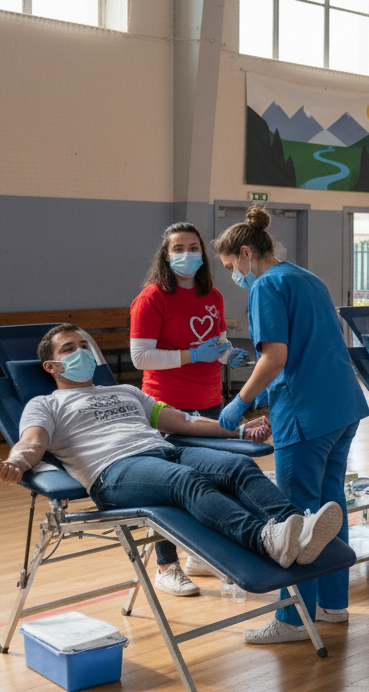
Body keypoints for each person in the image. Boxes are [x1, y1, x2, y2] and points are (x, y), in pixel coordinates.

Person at [0, 325, 344, 578]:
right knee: (186, 480)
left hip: (162, 450)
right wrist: (15, 464)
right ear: (51, 367)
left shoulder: (127, 392)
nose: (81, 352)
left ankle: (295, 528)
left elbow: (183, 423)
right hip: (114, 472)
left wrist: (237, 429)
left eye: (83, 345)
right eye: (69, 349)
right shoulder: (45, 403)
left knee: (237, 465)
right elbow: (32, 442)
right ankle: (264, 540)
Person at [214, 207, 368, 645]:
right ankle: (333, 605)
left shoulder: (265, 286)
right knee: (330, 507)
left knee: (296, 517)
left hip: (307, 415)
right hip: (342, 406)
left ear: (246, 253)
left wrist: (241, 400)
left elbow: (275, 356)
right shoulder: (307, 277)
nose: (234, 276)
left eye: (231, 267)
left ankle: (294, 619)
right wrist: (268, 396)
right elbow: (310, 347)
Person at [130, 222, 251, 597]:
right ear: (166, 256)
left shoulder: (212, 294)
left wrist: (230, 353)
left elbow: (216, 340)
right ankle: (166, 565)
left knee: (214, 478)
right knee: (171, 483)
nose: (188, 254)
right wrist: (190, 356)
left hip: (210, 399)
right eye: (179, 248)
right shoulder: (152, 298)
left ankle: (199, 555)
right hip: (167, 403)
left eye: (194, 247)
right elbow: (140, 357)